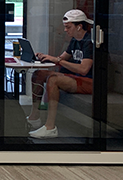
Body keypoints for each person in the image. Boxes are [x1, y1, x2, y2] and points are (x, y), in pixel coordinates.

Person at [25, 9, 94, 139]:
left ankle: (50, 127)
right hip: (75, 77)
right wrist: (45, 57)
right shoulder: (74, 40)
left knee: (53, 79)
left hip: (88, 81)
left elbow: (84, 69)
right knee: (38, 74)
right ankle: (34, 117)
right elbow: (61, 59)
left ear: (79, 26)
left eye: (68, 27)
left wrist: (57, 60)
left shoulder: (88, 42)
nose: (65, 30)